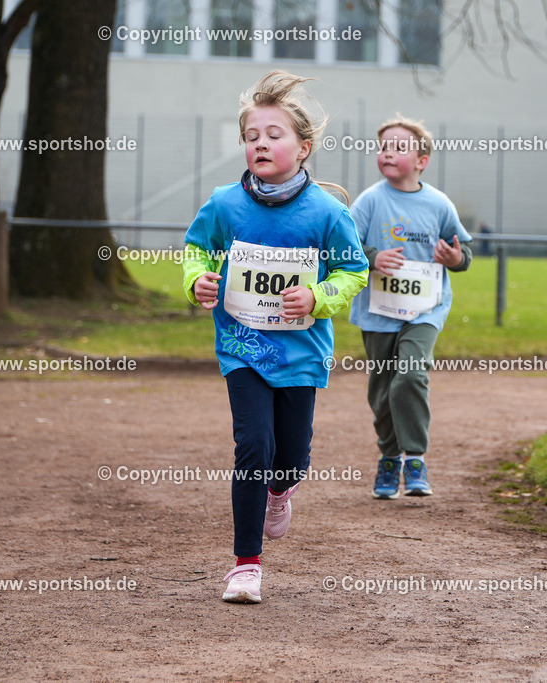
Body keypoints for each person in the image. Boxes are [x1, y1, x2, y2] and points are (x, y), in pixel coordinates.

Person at [182, 71, 369, 604]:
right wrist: (196, 280)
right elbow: (195, 249)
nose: (260, 143)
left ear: (303, 148)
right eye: (251, 136)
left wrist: (319, 298)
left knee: (291, 456)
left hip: (301, 353)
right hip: (243, 348)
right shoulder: (223, 204)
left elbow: (353, 271)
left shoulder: (328, 213)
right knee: (253, 446)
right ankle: (246, 565)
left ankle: (280, 491)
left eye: (274, 134)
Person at [348, 116, 473, 499]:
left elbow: (464, 253)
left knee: (411, 375)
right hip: (378, 310)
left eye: (398, 147)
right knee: (383, 390)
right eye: (383, 147)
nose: (387, 153)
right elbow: (343, 249)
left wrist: (453, 258)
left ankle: (415, 458)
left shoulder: (438, 204)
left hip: (425, 311)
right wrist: (373, 256)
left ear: (422, 160)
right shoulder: (370, 201)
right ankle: (389, 459)